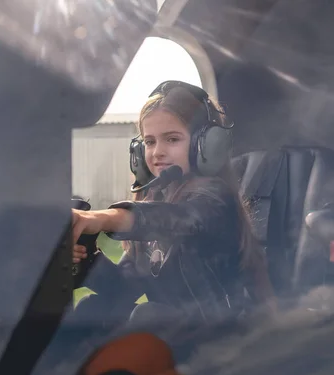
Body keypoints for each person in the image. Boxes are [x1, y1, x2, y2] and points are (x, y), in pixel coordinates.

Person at [71, 80, 274, 326]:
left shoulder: (214, 198)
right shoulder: (157, 198)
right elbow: (125, 287)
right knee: (92, 309)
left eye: (172, 139)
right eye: (150, 142)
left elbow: (184, 219)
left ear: (207, 145)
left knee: (149, 317)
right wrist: (87, 260)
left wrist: (106, 219)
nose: (157, 152)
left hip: (229, 337)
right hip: (184, 336)